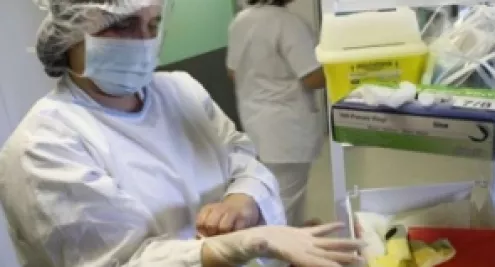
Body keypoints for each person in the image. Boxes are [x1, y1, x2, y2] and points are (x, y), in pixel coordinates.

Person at [0, 0, 365, 266]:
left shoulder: (179, 90)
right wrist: (246, 242)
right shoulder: (44, 145)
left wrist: (243, 200)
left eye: (153, 25)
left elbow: (241, 157)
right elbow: (116, 260)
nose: (143, 41)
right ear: (68, 35)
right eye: (122, 24)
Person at [227, 0, 326, 227]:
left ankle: (294, 235)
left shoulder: (240, 21)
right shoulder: (289, 23)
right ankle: (279, 256)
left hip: (255, 123)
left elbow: (233, 72)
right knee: (283, 203)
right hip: (287, 130)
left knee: (271, 193)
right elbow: (313, 78)